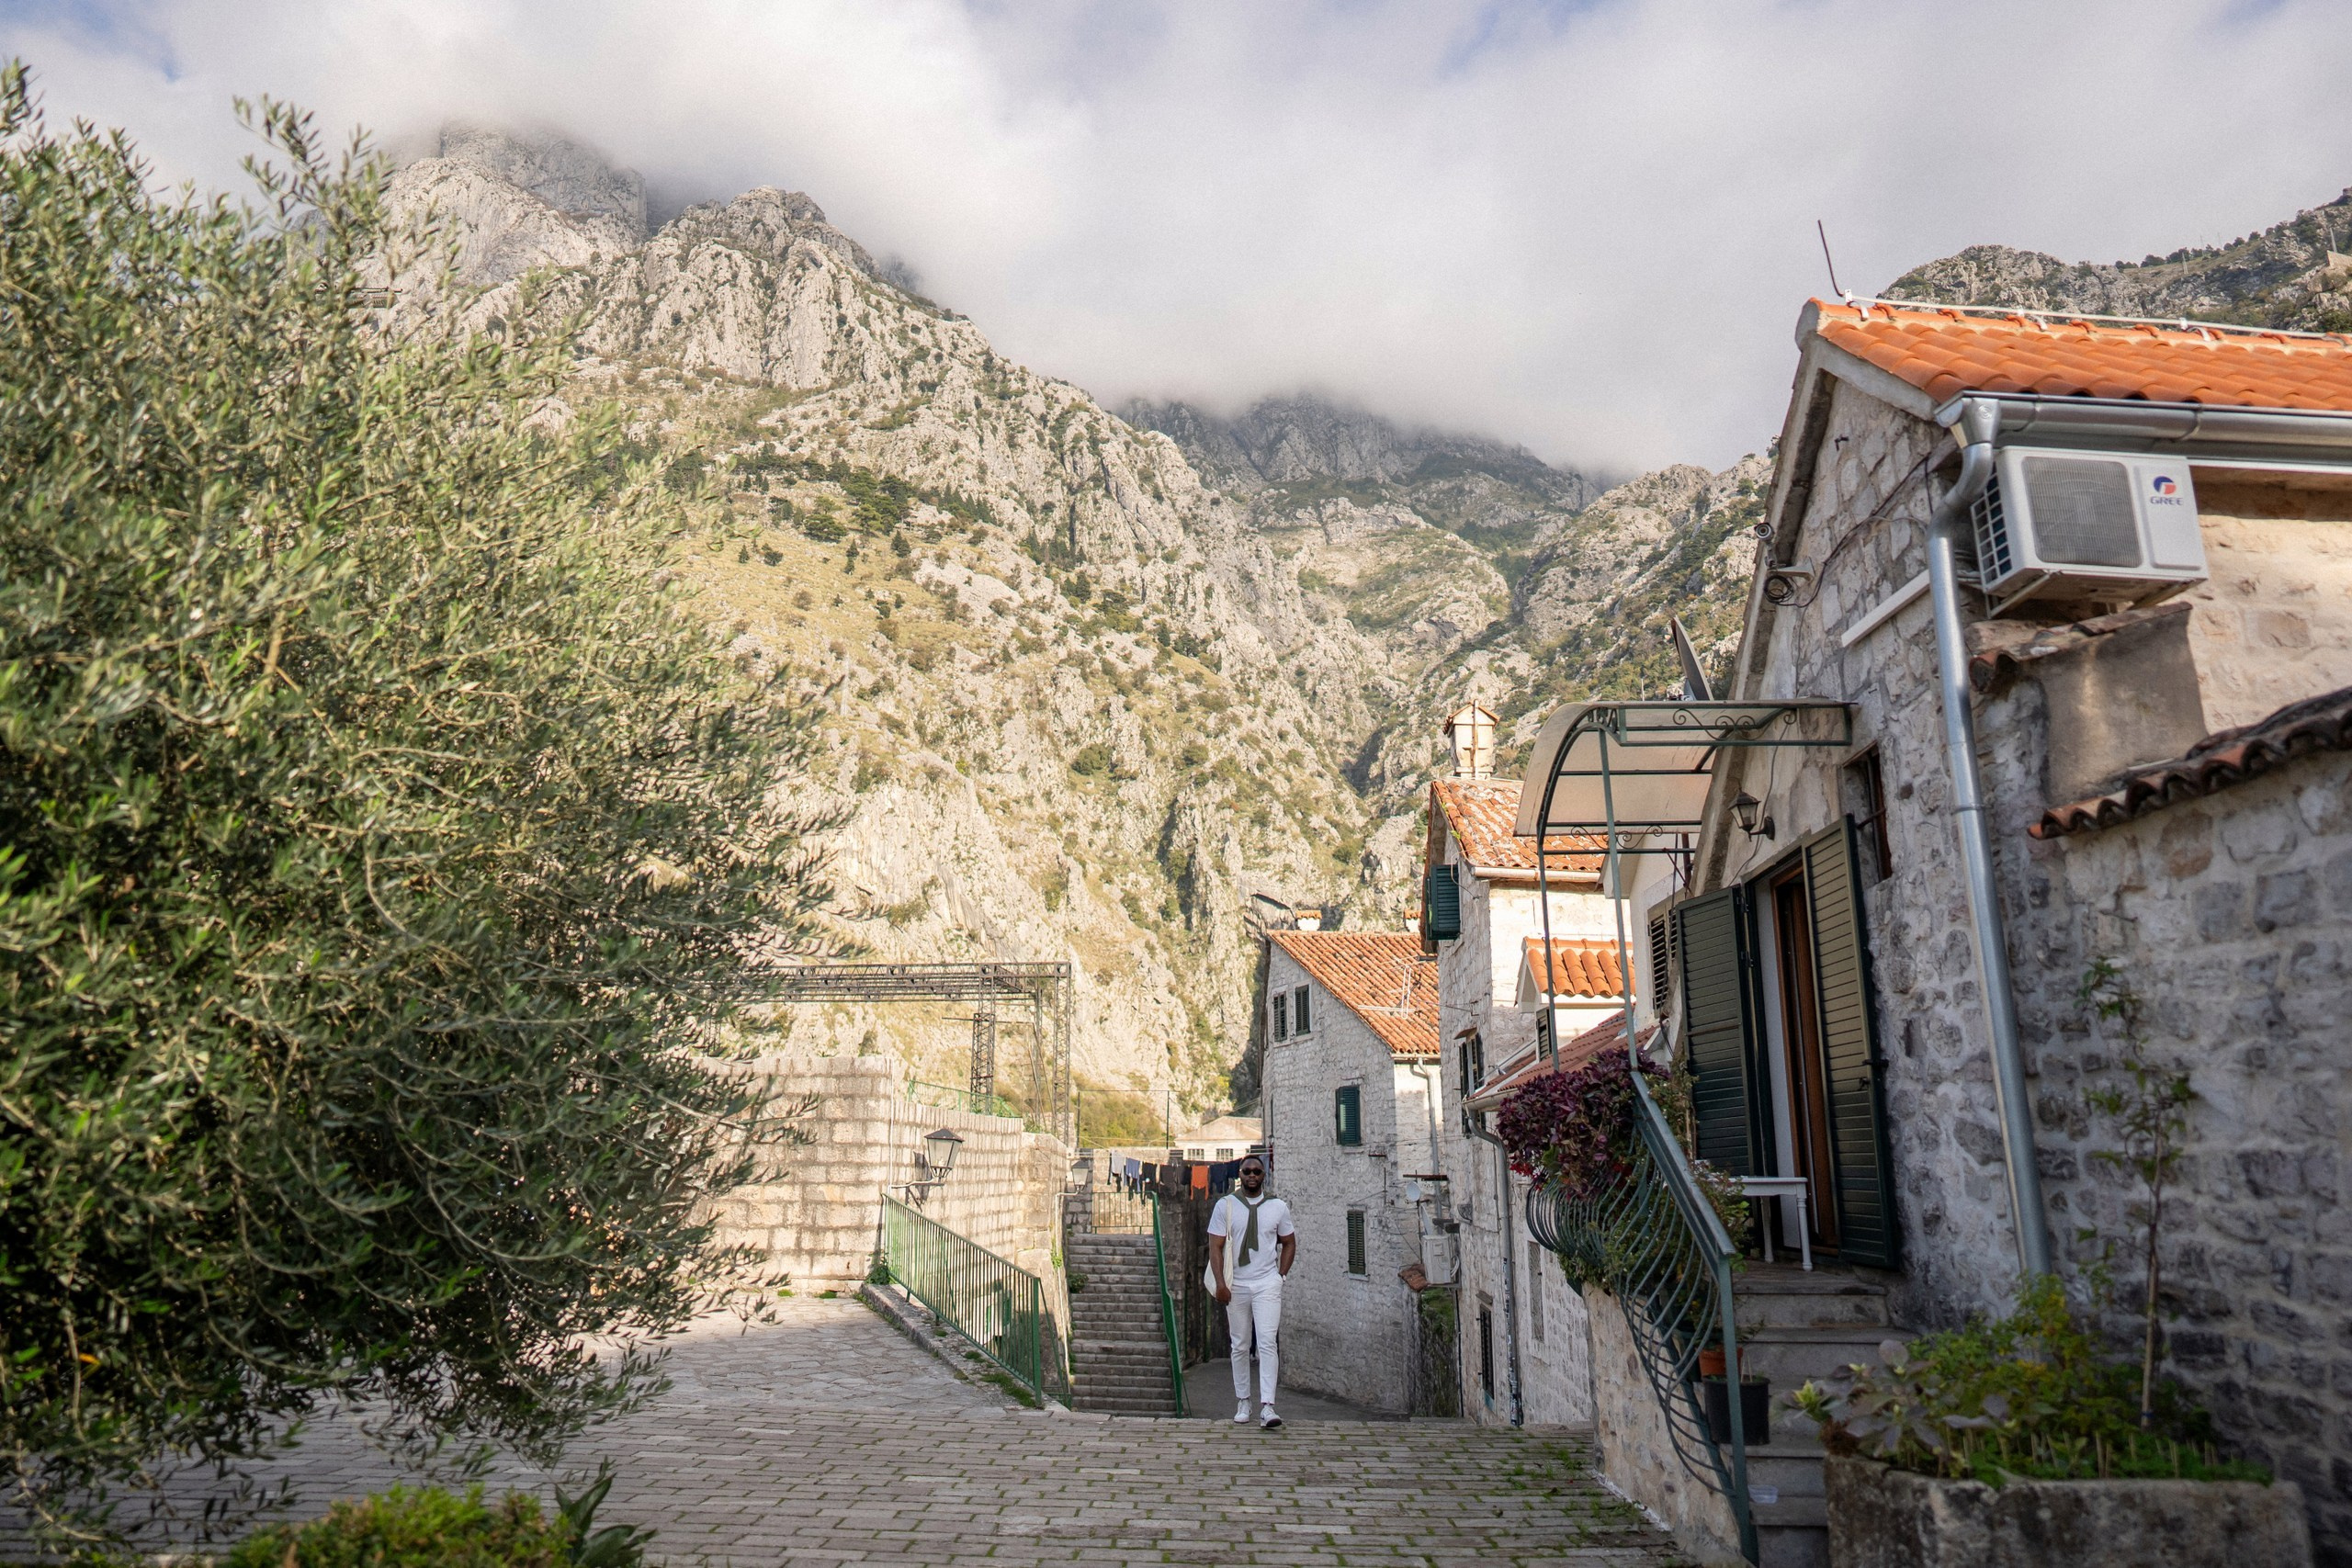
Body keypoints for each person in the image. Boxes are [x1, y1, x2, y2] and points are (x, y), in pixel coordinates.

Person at [1205, 1155, 1295, 1428]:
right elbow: (1215, 1247)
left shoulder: (1278, 1207)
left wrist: (1280, 1275)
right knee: (1240, 1344)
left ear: (1264, 1175)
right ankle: (1243, 1400)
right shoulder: (1226, 1206)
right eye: (1247, 1171)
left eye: (1257, 1171)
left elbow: (1289, 1242)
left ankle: (1268, 1406)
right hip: (1237, 1284)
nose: (1252, 1175)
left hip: (1267, 1283)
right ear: (1240, 1174)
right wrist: (1221, 1284)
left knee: (1267, 1343)